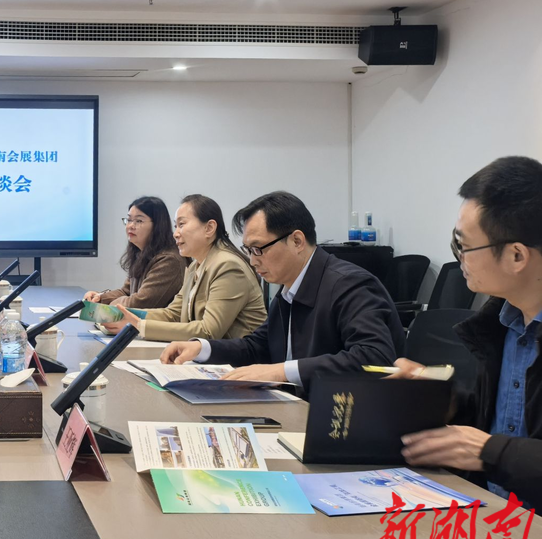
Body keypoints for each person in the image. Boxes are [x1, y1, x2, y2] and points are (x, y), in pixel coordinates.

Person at [394, 156, 542, 509]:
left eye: (464, 246)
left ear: (516, 256)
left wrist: (492, 452)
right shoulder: (502, 324)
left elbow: (491, 447)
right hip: (491, 516)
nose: (460, 257)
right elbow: (500, 423)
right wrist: (442, 398)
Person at [159, 191, 403, 388]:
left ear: (297, 241)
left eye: (258, 249)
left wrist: (281, 371)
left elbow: (374, 358)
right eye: (248, 250)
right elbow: (258, 346)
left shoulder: (350, 285)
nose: (253, 261)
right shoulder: (288, 291)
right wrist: (202, 348)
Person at [102, 194, 266, 342]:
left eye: (181, 224)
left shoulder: (228, 265)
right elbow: (173, 314)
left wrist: (139, 326)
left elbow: (209, 331)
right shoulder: (195, 265)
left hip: (240, 361)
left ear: (209, 228)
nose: (176, 233)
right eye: (176, 226)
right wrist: (128, 315)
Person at [83, 196, 185, 309]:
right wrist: (99, 298)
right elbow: (126, 291)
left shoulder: (169, 260)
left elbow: (140, 303)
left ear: (157, 225)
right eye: (129, 220)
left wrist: (110, 305)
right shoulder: (142, 253)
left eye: (139, 221)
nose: (130, 226)